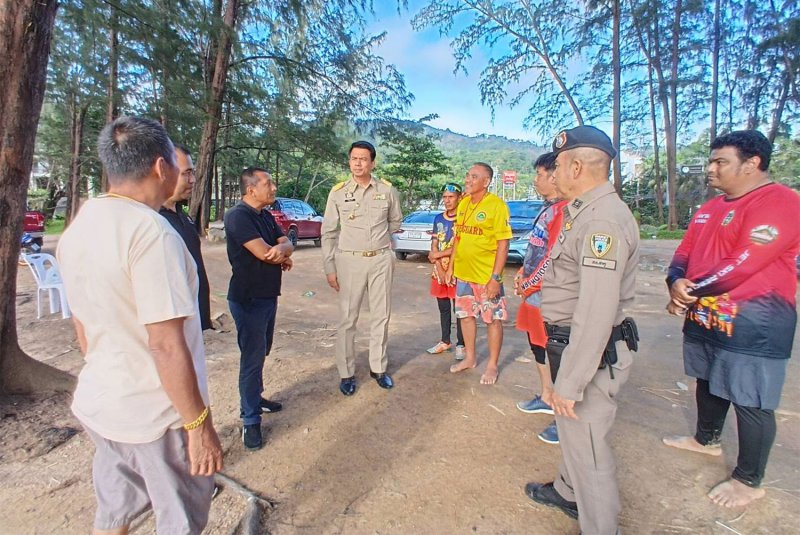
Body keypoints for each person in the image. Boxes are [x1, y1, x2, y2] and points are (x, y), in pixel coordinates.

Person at [57, 116, 223, 534]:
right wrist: (197, 426)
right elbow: (165, 345)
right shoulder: (152, 234)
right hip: (156, 417)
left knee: (116, 512)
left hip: (104, 403)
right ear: (159, 167)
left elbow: (82, 324)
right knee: (179, 519)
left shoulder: (83, 223)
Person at [662, 130, 800, 508]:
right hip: (707, 315)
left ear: (752, 163)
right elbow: (684, 252)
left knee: (751, 398)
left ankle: (749, 479)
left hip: (756, 322)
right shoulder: (711, 208)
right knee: (706, 379)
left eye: (720, 161)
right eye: (711, 161)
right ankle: (705, 440)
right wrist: (675, 281)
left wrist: (688, 292)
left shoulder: (781, 202)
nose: (711, 168)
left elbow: (744, 263)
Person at [524, 126, 640, 535]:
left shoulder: (602, 221)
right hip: (570, 345)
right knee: (575, 437)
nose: (553, 175)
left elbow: (595, 310)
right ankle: (566, 490)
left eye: (556, 166)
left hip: (588, 350)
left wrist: (570, 382)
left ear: (576, 165)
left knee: (589, 450)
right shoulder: (584, 211)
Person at [321, 140, 403, 396]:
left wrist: (377, 241)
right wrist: (330, 267)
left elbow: (395, 221)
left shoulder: (388, 190)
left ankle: (378, 368)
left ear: (372, 162)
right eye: (354, 158)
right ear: (349, 161)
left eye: (363, 159)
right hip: (349, 261)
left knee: (381, 315)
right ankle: (346, 373)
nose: (358, 163)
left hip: (380, 259)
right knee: (348, 319)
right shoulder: (337, 192)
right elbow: (328, 232)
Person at [224, 167, 294, 451]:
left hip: (268, 296)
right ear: (251, 189)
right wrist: (280, 255)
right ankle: (250, 420)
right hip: (248, 298)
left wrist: (284, 250)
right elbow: (265, 252)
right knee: (251, 358)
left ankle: (255, 398)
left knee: (262, 350)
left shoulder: (264, 215)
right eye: (268, 183)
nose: (274, 187)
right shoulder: (238, 216)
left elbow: (284, 243)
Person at [514, 151, 568, 445]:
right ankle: (547, 395)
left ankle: (565, 419)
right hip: (533, 294)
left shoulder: (567, 211)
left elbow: (552, 259)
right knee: (537, 346)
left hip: (550, 299)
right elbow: (537, 249)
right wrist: (523, 272)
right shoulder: (548, 208)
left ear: (555, 175)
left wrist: (530, 284)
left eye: (539, 174)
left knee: (558, 354)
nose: (535, 180)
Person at [447, 162, 513, 385]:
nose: (468, 179)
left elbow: (503, 245)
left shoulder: (497, 206)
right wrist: (450, 267)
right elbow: (458, 238)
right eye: (467, 175)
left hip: (486, 277)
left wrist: (496, 278)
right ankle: (470, 358)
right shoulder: (464, 203)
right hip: (464, 274)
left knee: (492, 319)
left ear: (486, 182)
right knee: (466, 316)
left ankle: (492, 365)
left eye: (474, 176)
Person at [159, 144, 212, 330]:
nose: (193, 180)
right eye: (186, 173)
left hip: (194, 320)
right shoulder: (155, 222)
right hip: (175, 326)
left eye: (193, 173)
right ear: (163, 171)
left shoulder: (183, 214)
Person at [426, 182, 465, 358]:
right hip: (439, 270)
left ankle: (462, 344)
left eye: (451, 197)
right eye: (445, 197)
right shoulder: (439, 219)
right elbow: (434, 243)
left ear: (460, 197)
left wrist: (439, 256)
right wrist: (437, 263)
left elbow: (459, 245)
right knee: (443, 307)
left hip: (458, 268)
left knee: (460, 309)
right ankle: (445, 340)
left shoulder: (463, 219)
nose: (447, 201)